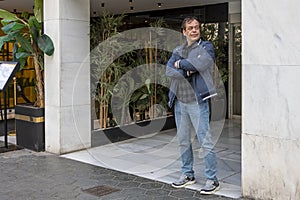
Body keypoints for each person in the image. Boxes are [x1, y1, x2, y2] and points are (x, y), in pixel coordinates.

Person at [166, 16, 219, 195]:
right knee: (183, 141)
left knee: (205, 140)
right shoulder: (178, 49)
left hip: (198, 101)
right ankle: (188, 175)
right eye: (190, 28)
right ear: (184, 32)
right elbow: (168, 70)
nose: (194, 30)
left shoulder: (206, 47)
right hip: (180, 103)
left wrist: (180, 64)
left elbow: (203, 63)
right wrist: (188, 68)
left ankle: (213, 179)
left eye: (196, 27)